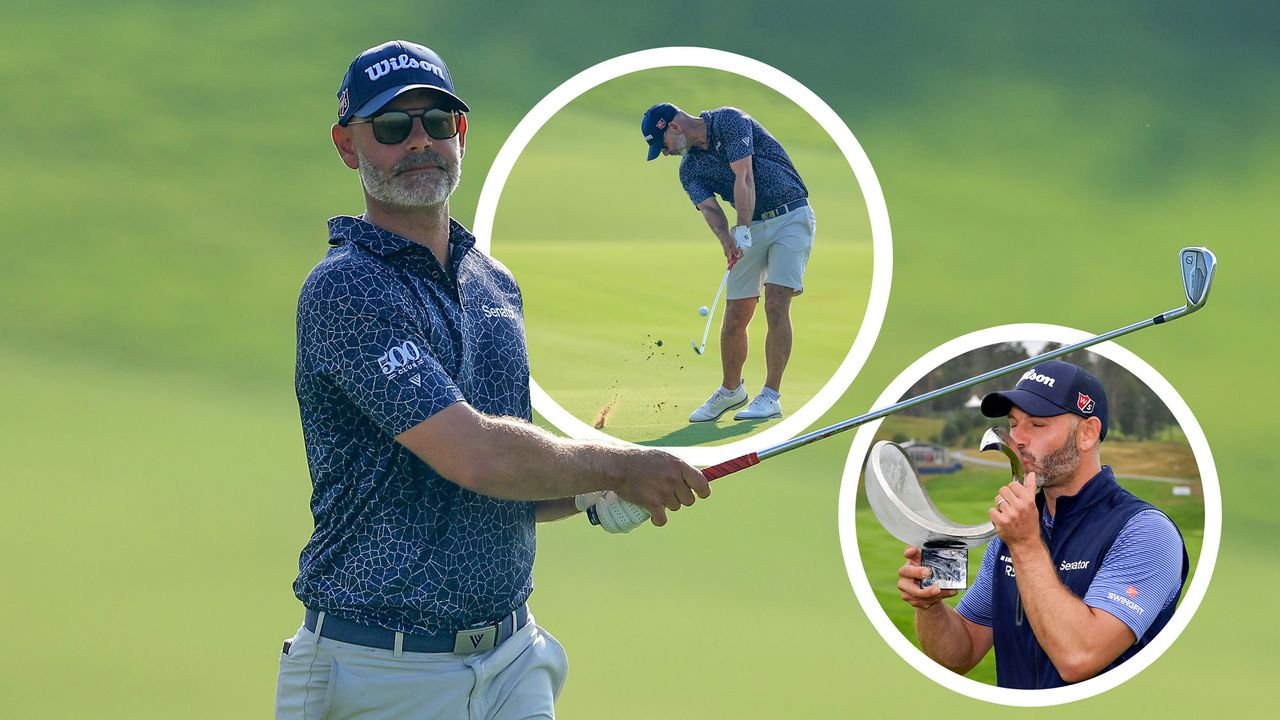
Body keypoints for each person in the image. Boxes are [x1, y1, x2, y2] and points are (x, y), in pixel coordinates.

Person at [276, 41, 711, 720]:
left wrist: (596, 486)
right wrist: (619, 465)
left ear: (462, 134)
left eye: (437, 123)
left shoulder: (493, 286)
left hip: (512, 661)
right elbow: (476, 455)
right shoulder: (347, 290)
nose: (419, 142)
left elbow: (506, 489)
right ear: (347, 145)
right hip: (377, 672)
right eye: (392, 128)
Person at [896, 360, 1188, 689]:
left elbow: (1079, 657)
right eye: (1013, 423)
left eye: (1036, 424)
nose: (1016, 438)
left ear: (1088, 433)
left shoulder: (1145, 532)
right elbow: (959, 655)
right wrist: (931, 605)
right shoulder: (1011, 535)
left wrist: (1026, 545)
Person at [641, 102, 816, 423]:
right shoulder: (689, 170)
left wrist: (743, 227)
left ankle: (770, 396)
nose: (663, 153)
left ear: (674, 127)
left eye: (660, 144)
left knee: (776, 302)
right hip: (749, 226)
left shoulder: (729, 120)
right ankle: (731, 390)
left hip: (789, 215)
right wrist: (728, 241)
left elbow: (744, 176)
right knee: (736, 315)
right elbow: (709, 209)